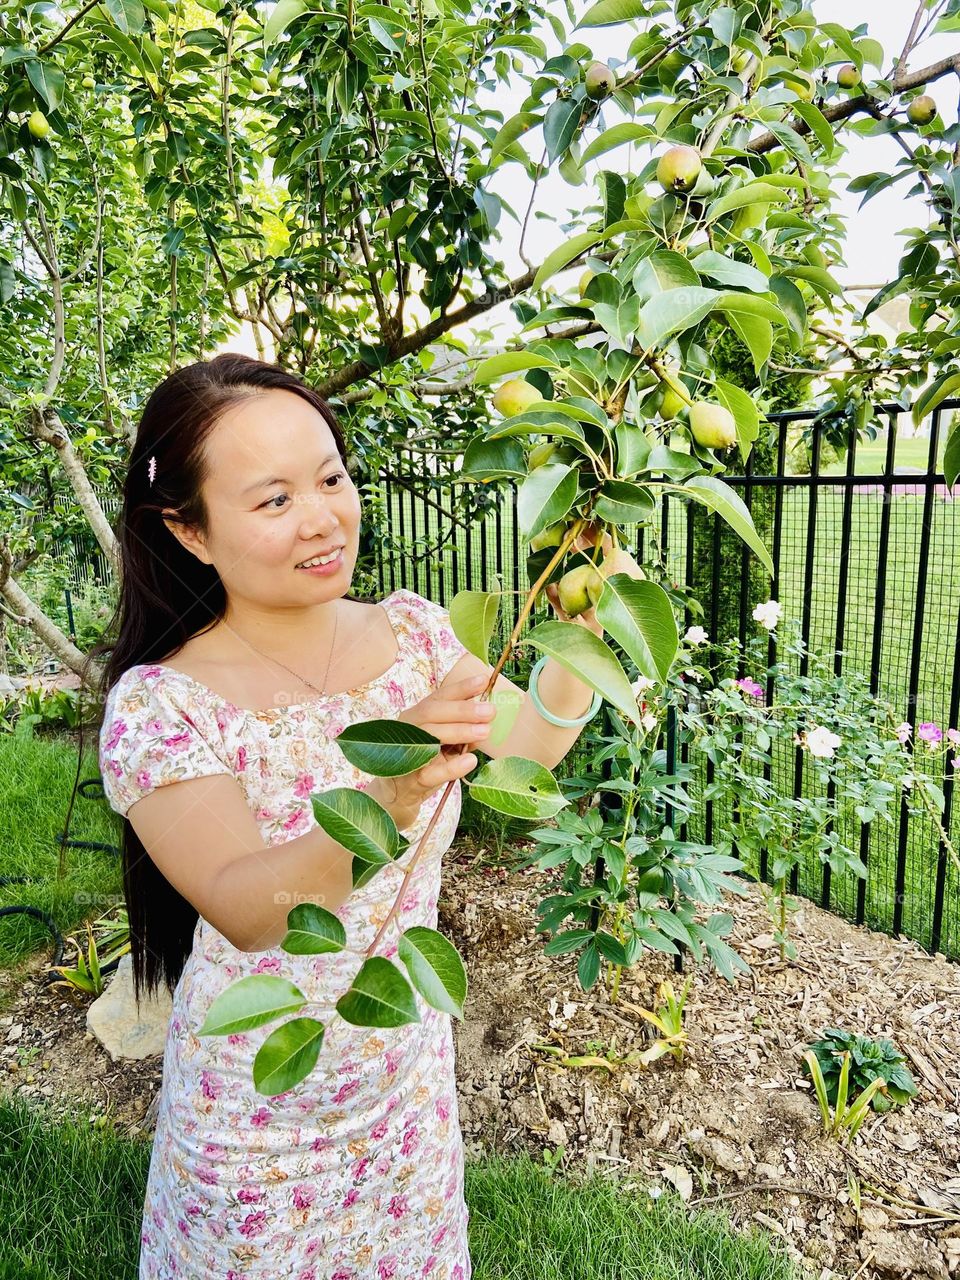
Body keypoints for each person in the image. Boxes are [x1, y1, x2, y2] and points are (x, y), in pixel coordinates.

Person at [92, 353, 512, 1280]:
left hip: (403, 1080)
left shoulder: (415, 635)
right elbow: (247, 905)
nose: (323, 518)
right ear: (189, 530)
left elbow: (523, 751)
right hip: (257, 1108)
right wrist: (387, 794)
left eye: (330, 477)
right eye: (273, 500)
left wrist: (590, 617)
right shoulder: (165, 705)